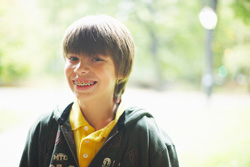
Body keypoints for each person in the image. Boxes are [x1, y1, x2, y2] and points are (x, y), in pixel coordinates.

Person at [19, 14, 179, 167]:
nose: (80, 69)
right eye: (73, 58)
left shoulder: (147, 136)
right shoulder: (45, 128)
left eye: (96, 59)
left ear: (121, 70)